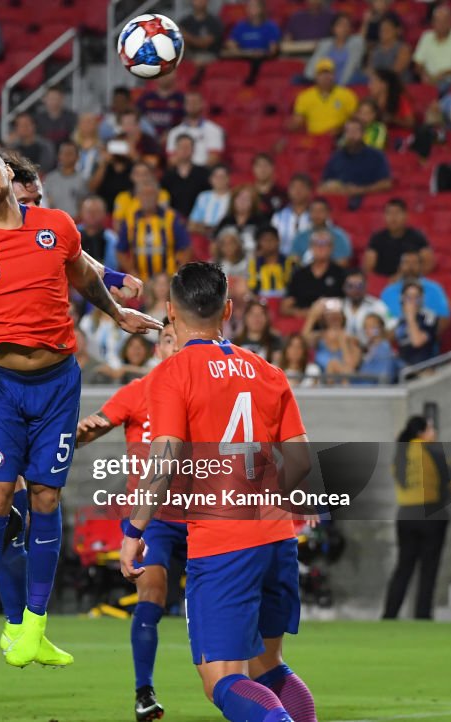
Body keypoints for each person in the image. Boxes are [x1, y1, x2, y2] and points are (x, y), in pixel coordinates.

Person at [0, 142, 158, 683]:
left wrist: (118, 314)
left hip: (59, 383)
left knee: (46, 497)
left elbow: (84, 274)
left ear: (5, 172)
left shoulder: (55, 226)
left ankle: (33, 630)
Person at [121, 261, 317, 722]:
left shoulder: (173, 373)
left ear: (170, 312)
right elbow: (303, 463)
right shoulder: (267, 371)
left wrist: (135, 529)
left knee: (223, 680)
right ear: (228, 309)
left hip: (222, 542)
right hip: (277, 536)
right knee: (269, 667)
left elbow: (164, 458)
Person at [76, 320, 182, 721]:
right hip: (152, 517)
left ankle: (237, 680)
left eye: (180, 339)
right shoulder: (140, 392)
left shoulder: (203, 391)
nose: (175, 347)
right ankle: (144, 692)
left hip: (205, 510)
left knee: (215, 605)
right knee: (151, 595)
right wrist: (83, 431)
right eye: (168, 340)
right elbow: (94, 428)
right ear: (158, 349)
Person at [383, 416, 451, 620]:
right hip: (431, 514)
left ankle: (390, 614)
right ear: (422, 432)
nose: (434, 432)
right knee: (428, 568)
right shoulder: (434, 451)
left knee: (403, 567)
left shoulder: (400, 453)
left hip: (405, 515)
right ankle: (422, 615)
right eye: (431, 428)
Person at [116, 174, 191, 282]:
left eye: (151, 194)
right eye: (143, 194)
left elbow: (186, 248)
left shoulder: (171, 217)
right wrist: (133, 273)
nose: (147, 198)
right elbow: (120, 251)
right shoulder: (129, 220)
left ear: (158, 196)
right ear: (138, 196)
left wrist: (176, 275)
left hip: (167, 280)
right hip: (139, 280)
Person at [318, 117, 392, 196]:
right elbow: (322, 185)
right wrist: (334, 188)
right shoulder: (336, 157)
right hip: (339, 200)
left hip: (366, 200)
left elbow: (386, 184)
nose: (351, 135)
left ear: (363, 134)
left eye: (355, 131)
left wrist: (361, 190)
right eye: (348, 131)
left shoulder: (376, 156)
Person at [281, 230, 348, 317]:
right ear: (310, 247)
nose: (320, 247)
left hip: (331, 319)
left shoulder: (340, 273)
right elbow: (285, 307)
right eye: (317, 243)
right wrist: (304, 313)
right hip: (303, 319)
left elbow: (347, 304)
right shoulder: (299, 274)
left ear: (331, 248)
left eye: (324, 243)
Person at [364, 198, 432, 278]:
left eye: (397, 213)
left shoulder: (417, 237)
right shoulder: (376, 238)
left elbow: (428, 264)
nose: (393, 217)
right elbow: (368, 267)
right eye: (389, 213)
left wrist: (407, 277)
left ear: (406, 215)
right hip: (383, 282)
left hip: (412, 280)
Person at [289, 58, 358, 136]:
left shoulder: (347, 95)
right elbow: (298, 120)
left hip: (339, 137)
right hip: (314, 139)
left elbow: (355, 120)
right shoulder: (305, 96)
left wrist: (340, 129)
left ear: (334, 75)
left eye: (329, 73)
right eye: (322, 73)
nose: (326, 77)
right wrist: (293, 124)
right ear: (316, 76)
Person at [380, 251, 450, 322]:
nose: (410, 267)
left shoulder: (435, 290)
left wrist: (428, 333)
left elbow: (444, 318)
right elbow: (382, 320)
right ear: (400, 266)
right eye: (406, 263)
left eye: (414, 263)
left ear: (421, 266)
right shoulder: (388, 292)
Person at [223, 0, 280, 84]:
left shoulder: (270, 26)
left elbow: (273, 49)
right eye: (248, 7)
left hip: (262, 60)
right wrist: (234, 48)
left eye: (253, 7)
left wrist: (264, 53)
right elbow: (230, 43)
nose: (249, 9)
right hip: (244, 59)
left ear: (261, 9)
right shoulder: (241, 26)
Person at [303, 13, 365, 86]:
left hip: (346, 82)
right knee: (296, 79)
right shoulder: (325, 44)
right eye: (340, 25)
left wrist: (339, 86)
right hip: (324, 81)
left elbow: (350, 68)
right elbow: (311, 67)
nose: (344, 28)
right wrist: (317, 81)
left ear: (350, 29)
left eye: (347, 25)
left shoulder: (356, 43)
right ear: (333, 28)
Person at [166, 92, 224, 167]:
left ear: (202, 104)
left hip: (204, 174)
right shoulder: (174, 132)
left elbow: (214, 158)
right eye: (189, 102)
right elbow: (172, 159)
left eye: (195, 102)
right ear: (184, 106)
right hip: (181, 173)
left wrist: (196, 173)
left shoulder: (214, 130)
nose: (192, 105)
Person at [162, 134, 211, 219]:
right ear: (176, 150)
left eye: (187, 147)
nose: (184, 150)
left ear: (193, 150)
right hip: (173, 219)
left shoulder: (203, 173)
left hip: (198, 220)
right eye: (181, 147)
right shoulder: (167, 175)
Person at [394, 282, 439, 366]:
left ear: (422, 299)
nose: (413, 301)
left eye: (416, 297)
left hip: (423, 365)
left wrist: (411, 317)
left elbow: (417, 342)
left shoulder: (429, 317)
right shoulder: (400, 320)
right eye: (409, 297)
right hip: (404, 367)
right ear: (402, 299)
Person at [178, 0, 224, 81]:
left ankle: (194, 86)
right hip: (189, 55)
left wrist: (187, 37)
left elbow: (204, 44)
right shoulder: (185, 21)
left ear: (207, 2)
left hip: (209, 55)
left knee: (198, 61)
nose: (199, 2)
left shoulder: (214, 22)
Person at [342, 268, 391, 343]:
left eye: (359, 286)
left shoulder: (378, 305)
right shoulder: (339, 307)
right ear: (344, 287)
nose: (355, 290)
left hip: (371, 350)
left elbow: (390, 329)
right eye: (350, 286)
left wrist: (374, 334)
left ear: (366, 286)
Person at [42, 140, 87, 219]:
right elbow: (46, 202)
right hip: (54, 221)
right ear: (59, 156)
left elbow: (84, 204)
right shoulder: (50, 178)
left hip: (76, 223)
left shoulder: (82, 179)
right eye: (63, 153)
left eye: (70, 153)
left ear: (77, 157)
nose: (66, 156)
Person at [270, 174, 313, 252]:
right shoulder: (278, 217)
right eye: (294, 187)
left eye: (302, 187)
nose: (298, 191)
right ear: (289, 191)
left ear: (309, 191)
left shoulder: (317, 216)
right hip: (282, 261)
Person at [187, 164, 231, 237]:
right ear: (210, 179)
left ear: (228, 179)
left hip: (225, 235)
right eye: (216, 177)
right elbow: (192, 223)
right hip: (203, 234)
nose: (219, 180)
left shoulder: (233, 197)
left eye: (222, 177)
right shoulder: (203, 197)